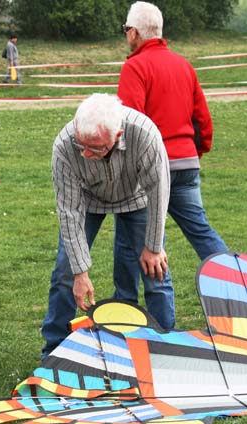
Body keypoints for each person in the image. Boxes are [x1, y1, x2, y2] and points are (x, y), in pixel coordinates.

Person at [40, 93, 173, 360]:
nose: (86, 154)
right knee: (65, 272)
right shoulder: (65, 145)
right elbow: (69, 211)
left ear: (118, 134)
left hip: (138, 198)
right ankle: (55, 349)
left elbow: (158, 190)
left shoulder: (145, 133)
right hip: (87, 202)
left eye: (96, 148)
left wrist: (154, 246)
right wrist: (80, 272)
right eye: (82, 145)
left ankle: (166, 349)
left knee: (156, 273)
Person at [117, 1, 227, 262]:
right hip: (186, 163)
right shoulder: (184, 66)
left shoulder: (134, 67)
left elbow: (131, 123)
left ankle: (130, 299)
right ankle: (236, 283)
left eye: (126, 29)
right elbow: (202, 120)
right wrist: (194, 151)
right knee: (201, 232)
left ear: (134, 32)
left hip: (151, 168)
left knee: (145, 241)